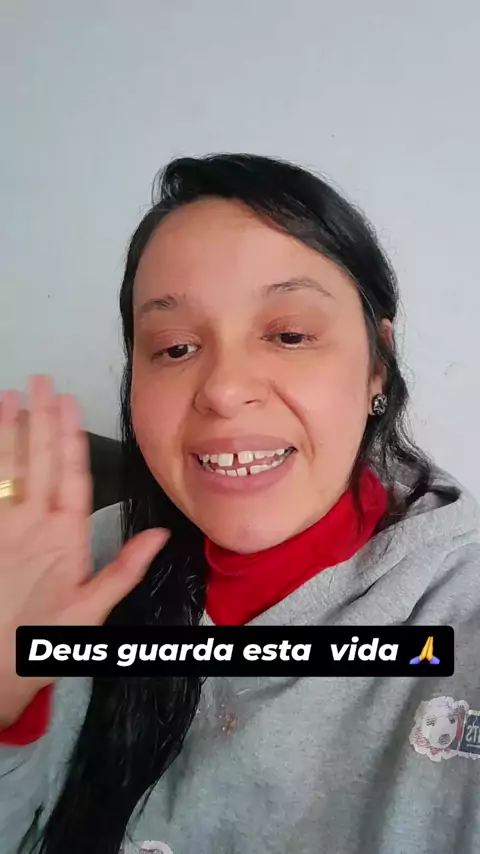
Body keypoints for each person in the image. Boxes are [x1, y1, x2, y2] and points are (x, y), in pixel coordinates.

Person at [0, 154, 479, 854]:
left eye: (289, 335)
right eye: (175, 347)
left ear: (377, 364)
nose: (224, 390)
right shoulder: (70, 571)